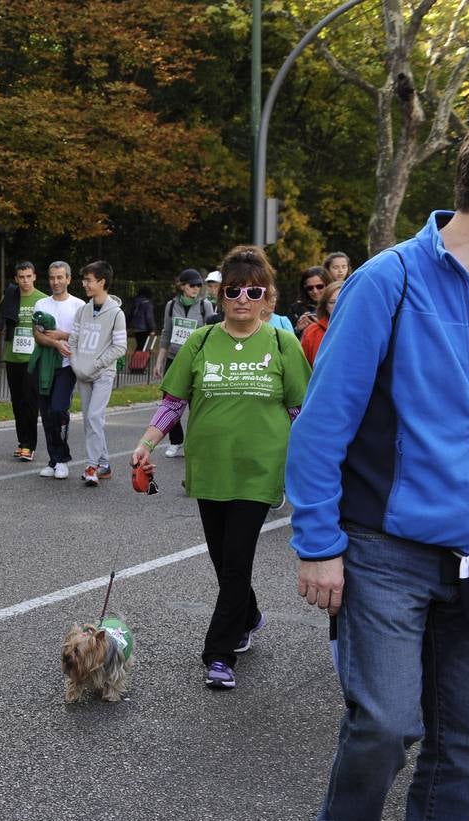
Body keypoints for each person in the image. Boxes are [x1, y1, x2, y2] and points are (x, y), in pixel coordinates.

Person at [290, 121, 469, 821]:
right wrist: (316, 541)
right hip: (385, 548)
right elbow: (322, 421)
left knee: (468, 738)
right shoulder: (391, 279)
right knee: (385, 724)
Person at [131, 244, 309, 690]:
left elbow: (299, 411)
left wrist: (312, 466)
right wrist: (146, 443)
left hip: (259, 470)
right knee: (222, 558)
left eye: (254, 291)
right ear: (222, 295)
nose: (243, 300)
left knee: (236, 561)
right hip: (209, 468)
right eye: (234, 291)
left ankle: (218, 654)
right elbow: (175, 401)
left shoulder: (283, 343)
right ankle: (247, 615)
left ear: (268, 296)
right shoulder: (202, 340)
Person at [69, 260, 127, 486]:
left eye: (89, 280)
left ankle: (91, 466)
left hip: (103, 374)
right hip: (82, 372)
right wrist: (75, 363)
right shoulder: (83, 310)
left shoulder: (116, 314)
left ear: (102, 282)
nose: (85, 284)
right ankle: (104, 463)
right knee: (89, 420)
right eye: (84, 280)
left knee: (94, 416)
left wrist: (97, 364)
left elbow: (120, 347)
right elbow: (73, 339)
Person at [152, 268, 216, 457]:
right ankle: (176, 441)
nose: (196, 289)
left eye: (198, 285)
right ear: (182, 286)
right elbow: (166, 333)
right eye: (192, 285)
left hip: (197, 360)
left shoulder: (205, 306)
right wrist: (159, 361)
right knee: (170, 401)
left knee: (196, 404)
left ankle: (196, 442)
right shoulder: (171, 306)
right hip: (174, 358)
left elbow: (212, 335)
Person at [32, 261, 85, 479]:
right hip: (44, 366)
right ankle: (53, 460)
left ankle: (62, 460)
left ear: (68, 279)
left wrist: (61, 336)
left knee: (58, 411)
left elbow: (82, 336)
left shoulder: (79, 306)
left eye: (60, 277)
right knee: (46, 415)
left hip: (67, 366)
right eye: (52, 277)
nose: (55, 281)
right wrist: (54, 343)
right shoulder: (41, 304)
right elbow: (37, 334)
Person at [0, 261, 48, 461]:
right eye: (21, 277)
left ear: (34, 277)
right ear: (16, 279)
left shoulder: (43, 299)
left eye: (28, 276)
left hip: (33, 358)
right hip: (13, 356)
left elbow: (49, 324)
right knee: (17, 402)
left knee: (30, 401)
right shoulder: (11, 297)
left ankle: (29, 445)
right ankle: (21, 442)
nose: (25, 280)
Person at [299, 279, 343, 366]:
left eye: (342, 300)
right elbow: (302, 368)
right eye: (332, 302)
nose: (337, 306)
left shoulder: (363, 330)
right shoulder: (311, 332)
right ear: (325, 306)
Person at [293, 266, 330, 334]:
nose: (315, 291)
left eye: (319, 286)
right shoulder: (295, 309)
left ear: (328, 285)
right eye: (310, 288)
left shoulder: (338, 306)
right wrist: (297, 329)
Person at [125, 285, 156, 352]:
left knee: (140, 345)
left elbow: (129, 313)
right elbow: (149, 317)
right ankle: (139, 361)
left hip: (135, 327)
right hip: (144, 328)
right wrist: (152, 329)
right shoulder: (147, 303)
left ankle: (136, 360)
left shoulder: (135, 301)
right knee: (144, 347)